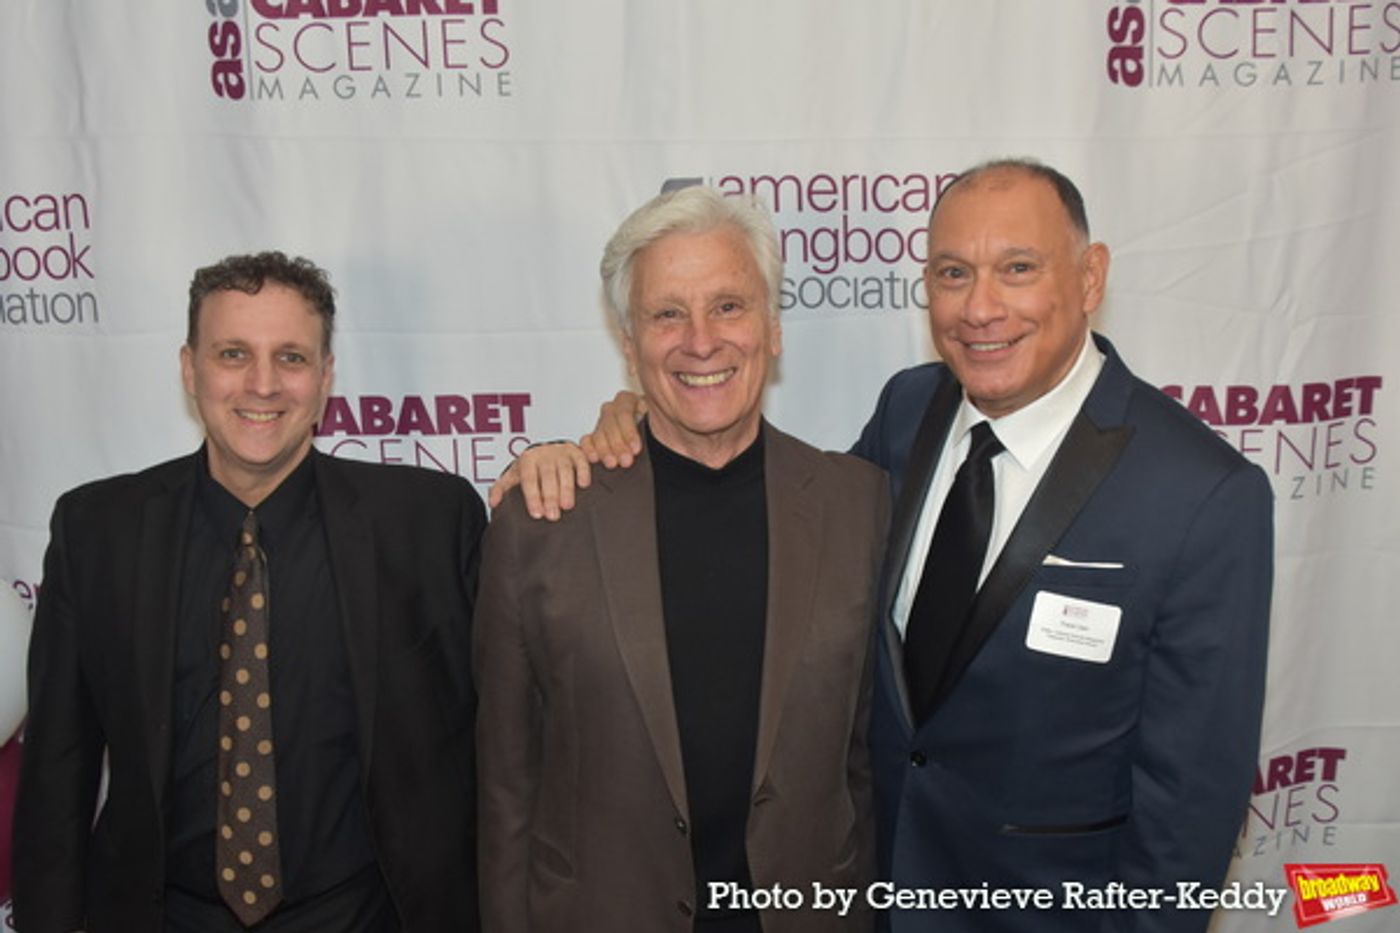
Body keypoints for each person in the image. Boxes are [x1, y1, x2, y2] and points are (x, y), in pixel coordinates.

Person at [496, 159, 1274, 932]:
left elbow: (1189, 816)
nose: (981, 307)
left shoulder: (1202, 496)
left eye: (1018, 268)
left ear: (1090, 276)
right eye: (953, 273)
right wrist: (620, 428)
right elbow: (767, 519)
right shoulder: (909, 414)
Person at [12, 252, 485, 933]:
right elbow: (57, 773)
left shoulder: (431, 522)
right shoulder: (96, 531)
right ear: (189, 369)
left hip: (365, 916)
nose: (262, 384)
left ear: (325, 376)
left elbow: (504, 739)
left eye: (291, 357)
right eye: (233, 354)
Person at [475, 186, 889, 933]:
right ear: (629, 343)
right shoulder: (542, 520)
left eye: (728, 306)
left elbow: (864, 762)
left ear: (772, 327)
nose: (701, 341)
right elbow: (507, 786)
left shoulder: (858, 504)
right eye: (667, 314)